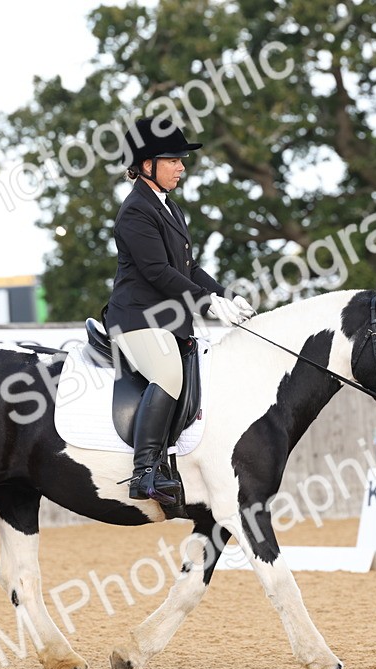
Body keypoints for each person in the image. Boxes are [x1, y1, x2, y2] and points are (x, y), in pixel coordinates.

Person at [104, 117, 255, 505]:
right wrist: (205, 303)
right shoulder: (135, 211)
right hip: (137, 319)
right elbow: (157, 271)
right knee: (169, 373)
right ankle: (145, 472)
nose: (182, 166)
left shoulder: (170, 207)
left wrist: (224, 295)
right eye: (173, 160)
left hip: (168, 321)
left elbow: (188, 268)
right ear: (147, 164)